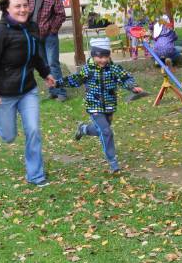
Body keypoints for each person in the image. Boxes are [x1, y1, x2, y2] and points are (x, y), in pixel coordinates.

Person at [0, 0, 55, 187]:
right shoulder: (0, 33)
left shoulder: (32, 27)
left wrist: (45, 73)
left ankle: (35, 175)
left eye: (25, 5)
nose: (23, 10)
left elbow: (35, 55)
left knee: (33, 131)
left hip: (28, 91)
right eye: (17, 6)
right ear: (7, 9)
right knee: (9, 137)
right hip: (5, 94)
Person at [57, 37, 143, 174]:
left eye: (106, 56)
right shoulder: (87, 70)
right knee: (106, 131)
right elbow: (75, 80)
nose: (103, 60)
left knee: (102, 130)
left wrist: (133, 86)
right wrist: (58, 83)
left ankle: (83, 129)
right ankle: (113, 162)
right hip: (94, 105)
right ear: (93, 55)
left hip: (109, 106)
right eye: (99, 57)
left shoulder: (114, 69)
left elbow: (125, 78)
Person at [27, 0, 67, 101]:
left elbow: (61, 15)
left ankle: (61, 93)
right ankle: (53, 91)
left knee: (53, 64)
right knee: (44, 66)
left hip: (49, 36)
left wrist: (52, 30)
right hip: (36, 36)